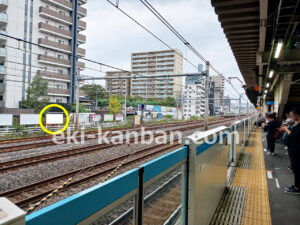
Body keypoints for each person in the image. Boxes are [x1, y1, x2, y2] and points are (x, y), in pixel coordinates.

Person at [281, 107, 300, 194]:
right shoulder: (297, 124)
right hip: (294, 149)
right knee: (295, 168)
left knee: (297, 169)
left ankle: (297, 188)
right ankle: (296, 185)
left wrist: (286, 129)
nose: (291, 117)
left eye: (292, 115)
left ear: (297, 115)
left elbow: (293, 136)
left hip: (297, 150)